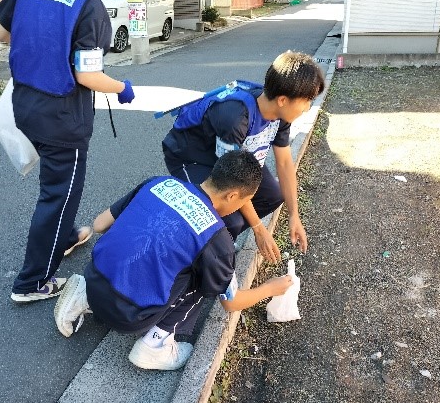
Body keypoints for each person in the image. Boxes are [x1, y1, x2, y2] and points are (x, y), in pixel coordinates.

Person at [54, 151, 294, 371]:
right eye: (242, 202)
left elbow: (99, 224)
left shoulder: (160, 183)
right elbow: (231, 303)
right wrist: (271, 288)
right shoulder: (216, 238)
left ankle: (82, 294)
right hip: (129, 317)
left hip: (93, 276)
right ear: (232, 195)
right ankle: (155, 344)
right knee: (204, 278)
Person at [0, 0, 135, 302]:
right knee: (58, 194)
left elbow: (2, 34)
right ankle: (32, 282)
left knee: (58, 189)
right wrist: (122, 87)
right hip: (61, 118)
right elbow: (88, 75)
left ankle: (66, 236)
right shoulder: (88, 3)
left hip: (24, 104)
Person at [161, 51, 325, 264]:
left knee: (272, 196)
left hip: (232, 161)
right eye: (307, 101)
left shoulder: (279, 113)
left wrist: (294, 214)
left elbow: (284, 163)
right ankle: (195, 255)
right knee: (231, 218)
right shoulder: (235, 118)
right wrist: (259, 229)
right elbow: (229, 181)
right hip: (190, 156)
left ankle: (218, 243)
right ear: (283, 100)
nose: (308, 107)